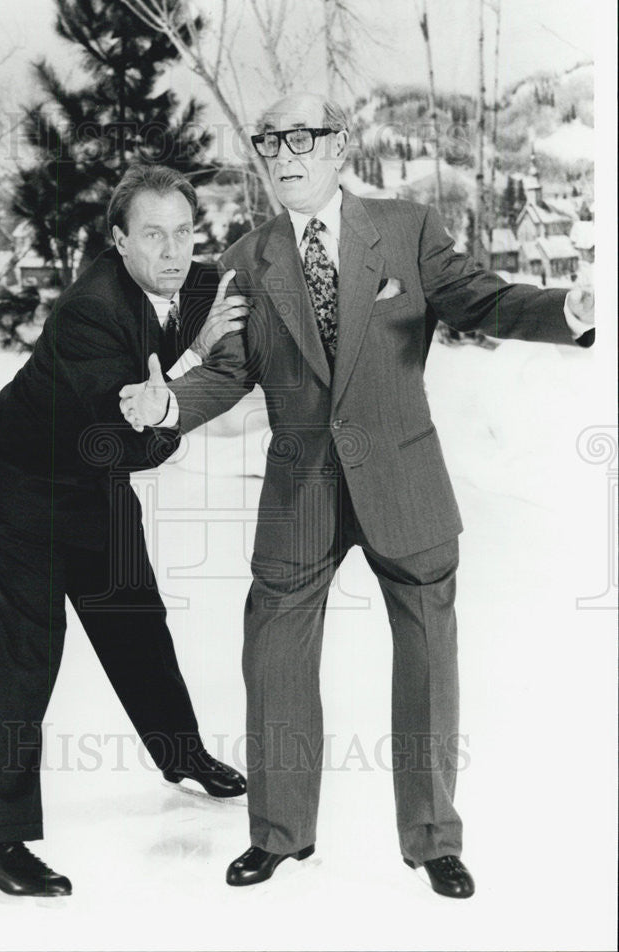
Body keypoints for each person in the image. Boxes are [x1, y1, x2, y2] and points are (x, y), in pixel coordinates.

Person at [118, 94, 596, 898]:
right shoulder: (244, 258)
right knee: (272, 657)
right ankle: (278, 834)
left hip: (402, 482)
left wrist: (566, 312)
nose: (284, 153)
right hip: (300, 486)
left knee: (428, 663)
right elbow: (230, 372)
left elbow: (479, 298)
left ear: (340, 148)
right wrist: (170, 406)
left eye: (301, 138)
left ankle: (434, 839)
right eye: (270, 141)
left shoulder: (407, 228)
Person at [0, 164, 250, 897]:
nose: (173, 250)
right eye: (153, 235)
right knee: (30, 650)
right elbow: (133, 437)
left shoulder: (191, 279)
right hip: (23, 480)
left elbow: (249, 277)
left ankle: (181, 755)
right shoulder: (91, 313)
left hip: (92, 479)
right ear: (119, 241)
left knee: (134, 618)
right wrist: (188, 365)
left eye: (184, 231)